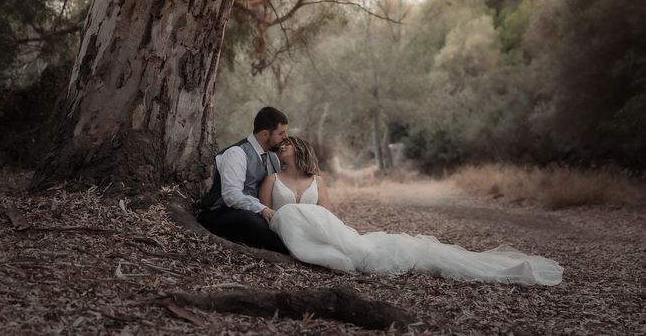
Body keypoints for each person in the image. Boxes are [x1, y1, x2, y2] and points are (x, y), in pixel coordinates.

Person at [261, 136, 564, 286]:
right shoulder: (272, 179)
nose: (282, 146)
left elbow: (326, 214)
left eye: (287, 143)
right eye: (281, 144)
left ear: (299, 149)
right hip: (295, 233)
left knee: (376, 249)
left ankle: (354, 250)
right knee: (289, 214)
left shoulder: (318, 180)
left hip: (326, 232)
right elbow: (266, 210)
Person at [197, 107, 290, 254]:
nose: (286, 137)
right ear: (265, 134)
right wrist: (261, 209)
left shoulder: (273, 157)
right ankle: (290, 252)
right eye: (281, 133)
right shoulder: (237, 153)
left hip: (254, 214)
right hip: (221, 213)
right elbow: (231, 195)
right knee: (250, 221)